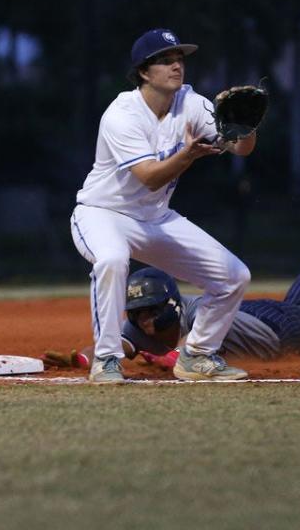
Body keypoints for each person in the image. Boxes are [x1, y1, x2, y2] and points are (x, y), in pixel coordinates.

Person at [69, 28, 257, 383]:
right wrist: (187, 155)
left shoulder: (192, 103)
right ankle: (107, 359)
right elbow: (150, 177)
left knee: (234, 277)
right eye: (166, 61)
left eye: (179, 60)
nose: (177, 67)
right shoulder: (122, 113)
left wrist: (244, 127)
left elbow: (241, 149)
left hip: (154, 218)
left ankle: (197, 355)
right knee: (111, 259)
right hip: (102, 214)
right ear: (144, 72)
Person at [48, 209, 300, 373]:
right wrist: (82, 357)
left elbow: (178, 358)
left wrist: (154, 357)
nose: (146, 321)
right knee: (295, 305)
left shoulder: (200, 315)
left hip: (277, 332)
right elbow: (119, 342)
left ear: (171, 303)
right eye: (138, 314)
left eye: (151, 311)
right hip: (254, 315)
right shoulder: (143, 325)